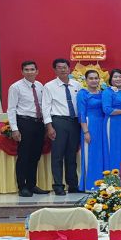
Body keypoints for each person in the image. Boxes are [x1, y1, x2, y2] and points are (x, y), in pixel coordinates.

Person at [7, 61, 46, 197]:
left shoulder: (40, 85)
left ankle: (31, 184)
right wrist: (14, 129)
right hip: (24, 123)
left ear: (37, 71)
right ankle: (22, 186)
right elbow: (11, 109)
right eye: (26, 70)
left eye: (32, 69)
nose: (30, 72)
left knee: (35, 156)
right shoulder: (15, 87)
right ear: (22, 72)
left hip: (38, 124)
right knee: (24, 156)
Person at [42, 58, 81, 195]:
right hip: (58, 122)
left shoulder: (77, 85)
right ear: (55, 70)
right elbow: (45, 107)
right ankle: (58, 185)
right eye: (59, 67)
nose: (63, 70)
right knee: (58, 155)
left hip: (74, 122)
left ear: (69, 69)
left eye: (65, 67)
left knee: (71, 155)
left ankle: (73, 185)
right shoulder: (49, 86)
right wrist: (49, 126)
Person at [77, 70, 107, 192]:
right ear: (86, 80)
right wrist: (86, 132)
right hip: (90, 125)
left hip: (103, 126)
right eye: (91, 78)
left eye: (96, 78)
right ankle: (90, 184)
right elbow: (81, 113)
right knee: (91, 154)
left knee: (102, 155)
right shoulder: (82, 94)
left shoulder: (103, 93)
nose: (94, 80)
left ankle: (102, 184)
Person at [102, 69, 121, 176]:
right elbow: (107, 109)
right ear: (111, 79)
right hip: (113, 123)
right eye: (115, 77)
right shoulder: (107, 92)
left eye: (120, 77)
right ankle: (113, 179)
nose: (118, 79)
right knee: (114, 149)